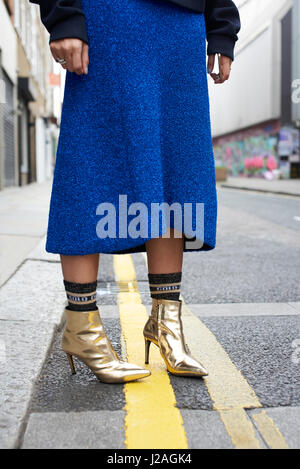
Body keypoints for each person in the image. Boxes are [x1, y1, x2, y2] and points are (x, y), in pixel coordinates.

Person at [30, 0, 240, 383]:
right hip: (108, 17)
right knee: (91, 165)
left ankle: (166, 322)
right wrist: (63, 14)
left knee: (175, 170)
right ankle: (82, 326)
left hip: (181, 27)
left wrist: (222, 26)